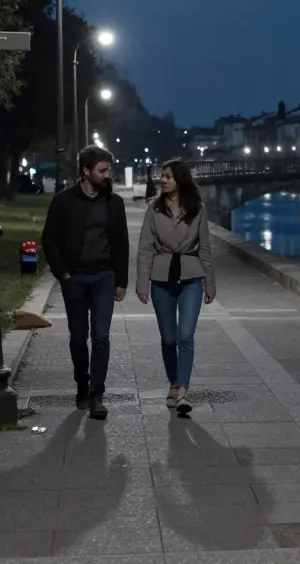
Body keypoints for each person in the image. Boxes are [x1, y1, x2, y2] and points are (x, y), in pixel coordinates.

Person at [40, 146, 129, 420]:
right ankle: (82, 382)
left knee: (101, 337)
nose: (106, 175)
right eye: (101, 170)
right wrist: (63, 274)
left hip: (104, 276)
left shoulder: (114, 203)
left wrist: (121, 280)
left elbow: (122, 243)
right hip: (75, 278)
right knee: (79, 338)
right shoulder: (64, 201)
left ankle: (96, 394)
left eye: (108, 170)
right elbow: (49, 239)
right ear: (86, 171)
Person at [135, 158, 216, 416]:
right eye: (162, 175)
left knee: (185, 337)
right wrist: (142, 284)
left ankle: (182, 391)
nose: (163, 179)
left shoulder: (198, 209)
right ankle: (173, 381)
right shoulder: (154, 209)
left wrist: (210, 284)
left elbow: (205, 249)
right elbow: (145, 249)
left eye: (168, 176)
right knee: (169, 339)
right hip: (161, 278)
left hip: (191, 278)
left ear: (180, 179)